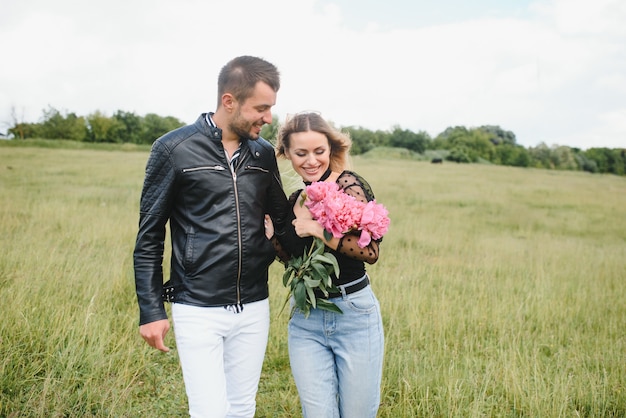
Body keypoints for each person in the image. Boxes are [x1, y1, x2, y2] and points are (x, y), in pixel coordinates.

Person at [133, 55, 289, 418]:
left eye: (271, 109)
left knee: (241, 408)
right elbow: (149, 236)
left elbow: (282, 220)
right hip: (197, 307)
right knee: (209, 412)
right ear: (229, 101)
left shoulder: (264, 154)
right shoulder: (173, 149)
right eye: (261, 108)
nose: (268, 118)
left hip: (253, 305)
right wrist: (151, 310)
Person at [269, 112, 385, 418]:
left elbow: (370, 251)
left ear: (330, 150)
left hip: (354, 315)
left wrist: (319, 229)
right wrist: (272, 238)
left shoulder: (348, 185)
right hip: (306, 319)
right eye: (301, 153)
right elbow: (293, 259)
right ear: (287, 154)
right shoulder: (294, 199)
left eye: (319, 152)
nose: (311, 161)